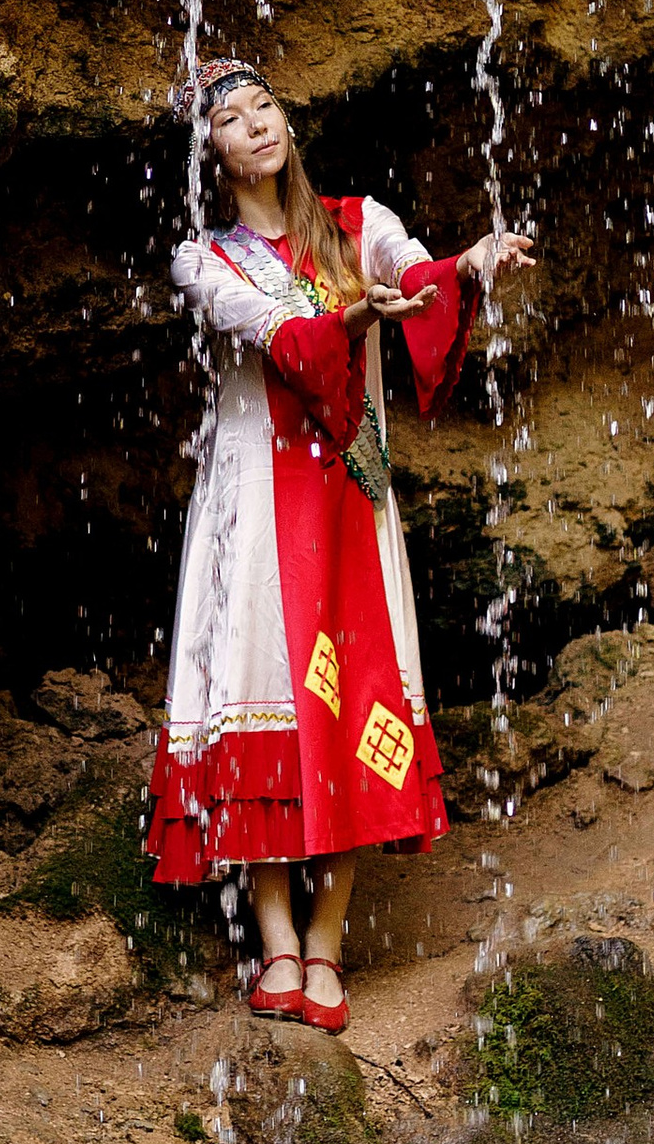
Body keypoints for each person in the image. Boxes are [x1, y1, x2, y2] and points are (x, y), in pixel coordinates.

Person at [143, 58, 536, 1031]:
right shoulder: (204, 261)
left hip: (351, 501)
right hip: (250, 510)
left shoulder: (361, 225)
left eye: (262, 107)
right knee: (262, 702)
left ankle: (326, 953)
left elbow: (422, 280)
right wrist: (357, 311)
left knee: (361, 699)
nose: (255, 126)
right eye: (230, 120)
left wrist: (472, 265)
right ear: (211, 155)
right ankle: (278, 950)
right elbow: (288, 342)